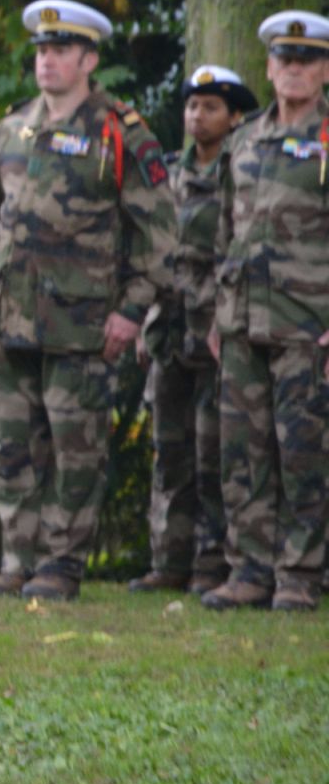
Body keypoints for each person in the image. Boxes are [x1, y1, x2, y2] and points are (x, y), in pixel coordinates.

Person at [0, 0, 175, 602]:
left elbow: (161, 235)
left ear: (89, 60)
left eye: (61, 50)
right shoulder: (11, 129)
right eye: (41, 49)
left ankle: (60, 564)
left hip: (84, 322)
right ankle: (17, 560)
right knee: (13, 447)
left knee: (75, 450)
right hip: (12, 317)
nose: (47, 60)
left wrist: (131, 310)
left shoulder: (120, 133)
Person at [202, 12, 329, 613]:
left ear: (324, 70)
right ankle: (249, 570)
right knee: (242, 453)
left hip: (309, 322)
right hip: (241, 320)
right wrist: (216, 314)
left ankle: (300, 573)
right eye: (284, 59)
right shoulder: (244, 139)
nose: (294, 69)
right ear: (270, 68)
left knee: (303, 452)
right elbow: (227, 231)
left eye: (307, 60)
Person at [128, 65, 254, 595]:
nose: (197, 116)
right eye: (191, 106)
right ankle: (169, 560)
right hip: (168, 329)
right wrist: (143, 320)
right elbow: (152, 251)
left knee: (213, 453)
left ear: (234, 117)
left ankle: (213, 563)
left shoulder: (239, 174)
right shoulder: (166, 175)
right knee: (170, 450)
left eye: (210, 107)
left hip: (215, 331)